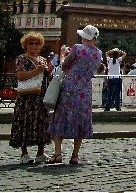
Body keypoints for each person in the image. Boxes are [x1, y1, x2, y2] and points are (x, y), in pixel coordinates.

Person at [47, 25, 102, 164]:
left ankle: (57, 154)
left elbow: (64, 66)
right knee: (81, 121)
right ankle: (75, 155)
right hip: (85, 90)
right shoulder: (98, 54)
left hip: (69, 89)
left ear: (84, 37)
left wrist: (62, 54)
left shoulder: (77, 48)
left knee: (60, 118)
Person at [9, 32, 51, 164]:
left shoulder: (43, 60)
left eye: (36, 43)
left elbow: (45, 78)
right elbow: (20, 76)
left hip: (40, 97)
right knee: (24, 122)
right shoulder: (22, 58)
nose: (34, 46)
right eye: (31, 43)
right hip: (26, 97)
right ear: (25, 45)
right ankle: (24, 153)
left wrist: (49, 71)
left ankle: (40, 153)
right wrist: (37, 71)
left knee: (41, 123)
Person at [104, 48, 126, 112]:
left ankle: (107, 106)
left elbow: (106, 53)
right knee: (117, 93)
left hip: (110, 78)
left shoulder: (109, 60)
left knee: (109, 93)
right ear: (117, 55)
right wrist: (119, 51)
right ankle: (117, 106)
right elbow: (124, 54)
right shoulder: (119, 60)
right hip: (117, 77)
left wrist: (112, 50)